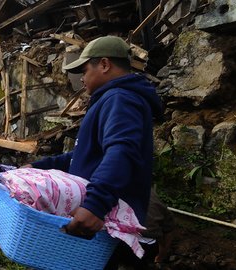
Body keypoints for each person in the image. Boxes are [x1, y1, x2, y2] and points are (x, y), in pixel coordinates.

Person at [25, 36, 163, 241]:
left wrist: (95, 205)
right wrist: (39, 166)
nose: (81, 78)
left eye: (84, 71)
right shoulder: (112, 98)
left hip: (107, 220)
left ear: (104, 64)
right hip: (101, 218)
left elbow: (122, 152)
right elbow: (88, 154)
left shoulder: (120, 99)